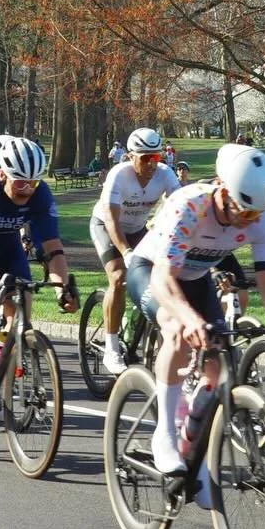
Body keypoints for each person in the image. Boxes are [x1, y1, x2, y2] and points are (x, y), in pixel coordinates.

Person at [126, 142, 265, 499]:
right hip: (153, 272)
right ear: (220, 187)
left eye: (254, 214)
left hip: (196, 278)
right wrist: (188, 319)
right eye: (241, 210)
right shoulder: (189, 206)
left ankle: (194, 452)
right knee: (176, 332)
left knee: (217, 368)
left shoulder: (259, 216)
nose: (247, 220)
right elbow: (163, 278)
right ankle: (165, 434)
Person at [0, 136, 77, 407]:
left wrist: (63, 288)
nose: (27, 188)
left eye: (33, 181)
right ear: (2, 174)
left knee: (23, 303)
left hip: (6, 242)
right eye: (19, 181)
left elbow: (53, 247)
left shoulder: (40, 193)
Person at [90, 127, 181, 376]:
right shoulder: (119, 175)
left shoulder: (165, 174)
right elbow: (111, 219)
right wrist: (126, 252)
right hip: (108, 227)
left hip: (139, 229)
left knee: (160, 279)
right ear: (131, 156)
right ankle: (111, 347)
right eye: (146, 158)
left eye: (157, 157)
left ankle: (134, 324)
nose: (153, 164)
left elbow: (180, 207)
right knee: (118, 277)